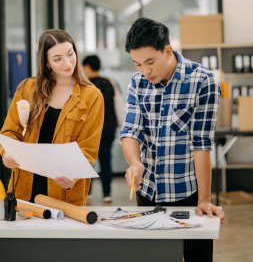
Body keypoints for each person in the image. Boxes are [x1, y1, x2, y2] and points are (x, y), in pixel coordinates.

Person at [120, 18, 224, 262]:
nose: (145, 71)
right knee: (152, 257)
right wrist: (134, 162)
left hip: (187, 192)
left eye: (150, 62)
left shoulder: (202, 80)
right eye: (137, 64)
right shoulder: (137, 83)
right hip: (148, 192)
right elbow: (130, 132)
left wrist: (205, 199)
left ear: (167, 51)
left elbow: (201, 143)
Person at [0, 29, 104, 206]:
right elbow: (10, 131)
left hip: (64, 190)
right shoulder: (27, 88)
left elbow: (88, 148)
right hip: (24, 188)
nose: (68, 63)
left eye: (70, 54)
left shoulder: (92, 96)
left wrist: (75, 176)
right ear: (47, 63)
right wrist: (6, 154)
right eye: (57, 59)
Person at [82, 55, 117, 203]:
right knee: (106, 159)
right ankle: (107, 193)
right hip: (109, 126)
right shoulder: (109, 82)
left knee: (88, 160)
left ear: (88, 67)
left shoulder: (86, 86)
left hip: (92, 129)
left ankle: (87, 192)